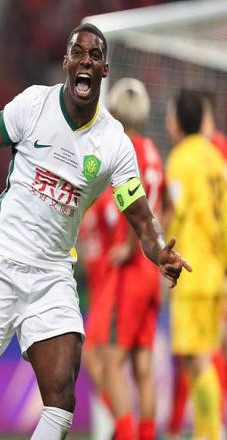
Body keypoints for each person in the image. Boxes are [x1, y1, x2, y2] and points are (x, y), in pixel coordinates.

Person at [0, 23, 191, 439]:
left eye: (95, 56)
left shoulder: (114, 143)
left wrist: (159, 251)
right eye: (78, 53)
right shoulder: (34, 105)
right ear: (65, 63)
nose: (86, 61)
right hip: (1, 260)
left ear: (105, 69)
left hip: (52, 274)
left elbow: (140, 214)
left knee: (61, 403)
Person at [102, 78, 169, 440]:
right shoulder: (154, 150)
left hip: (132, 271)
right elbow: (167, 205)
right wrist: (159, 243)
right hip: (152, 270)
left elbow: (135, 204)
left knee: (111, 363)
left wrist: (130, 246)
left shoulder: (129, 151)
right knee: (143, 365)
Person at [165, 88, 226, 440]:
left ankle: (211, 433)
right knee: (200, 357)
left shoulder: (181, 160)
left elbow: (176, 213)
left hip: (192, 274)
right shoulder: (216, 159)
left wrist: (160, 249)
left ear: (178, 120)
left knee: (198, 359)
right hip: (214, 273)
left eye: (170, 114)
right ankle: (207, 431)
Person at [78, 188, 117, 440]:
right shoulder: (85, 203)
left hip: (110, 290)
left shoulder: (107, 201)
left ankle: (117, 419)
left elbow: (122, 230)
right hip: (96, 292)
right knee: (100, 360)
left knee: (93, 355)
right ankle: (113, 421)